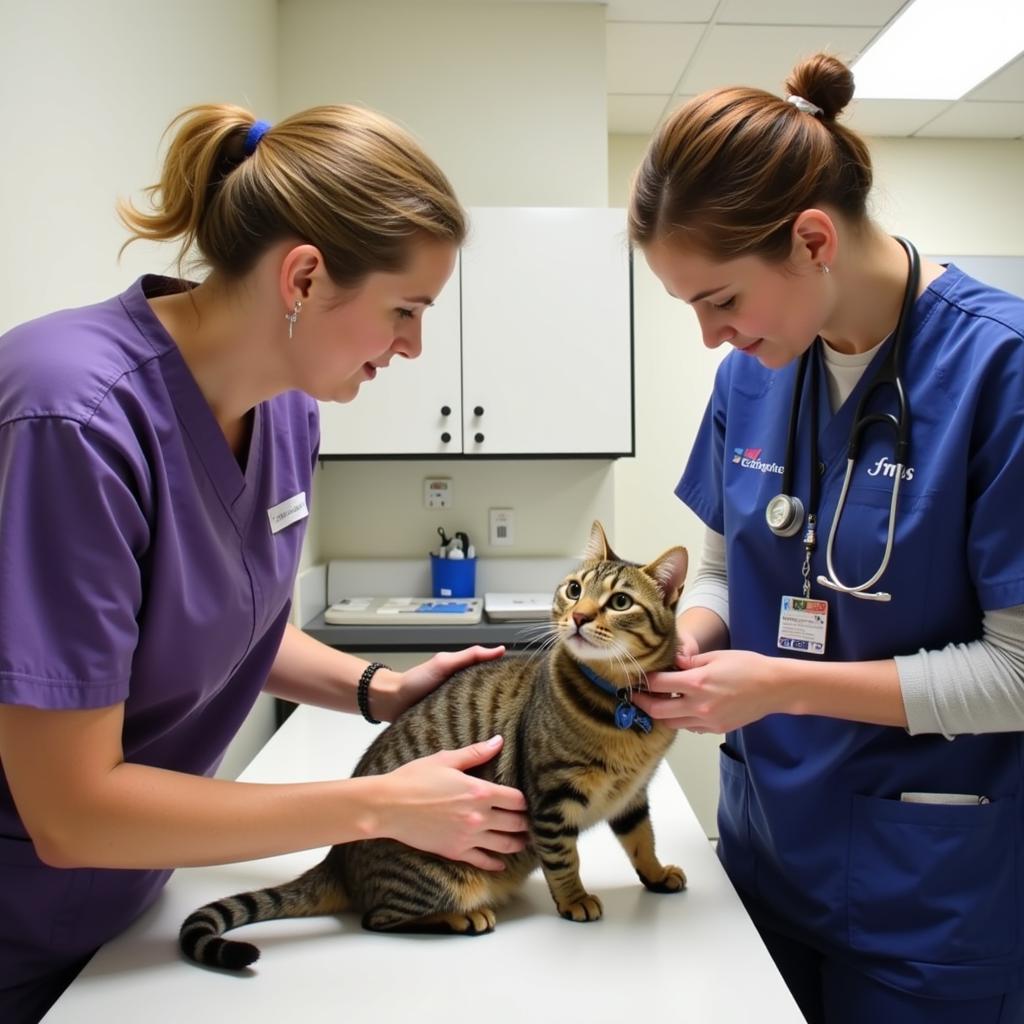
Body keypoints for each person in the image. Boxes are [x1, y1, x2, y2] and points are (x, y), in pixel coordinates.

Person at [0, 103, 529, 1023]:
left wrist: (379, 690)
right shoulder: (71, 420)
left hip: (125, 913)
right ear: (304, 276)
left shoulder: (286, 407)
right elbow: (71, 809)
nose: (412, 346)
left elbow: (219, 612)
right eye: (404, 310)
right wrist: (378, 808)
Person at [627, 53, 1024, 1024]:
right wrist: (697, 636)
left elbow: (1016, 672)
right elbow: (723, 559)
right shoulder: (752, 374)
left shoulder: (1000, 374)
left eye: (718, 300)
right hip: (764, 854)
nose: (708, 337)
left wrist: (780, 683)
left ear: (811, 240)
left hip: (926, 898)